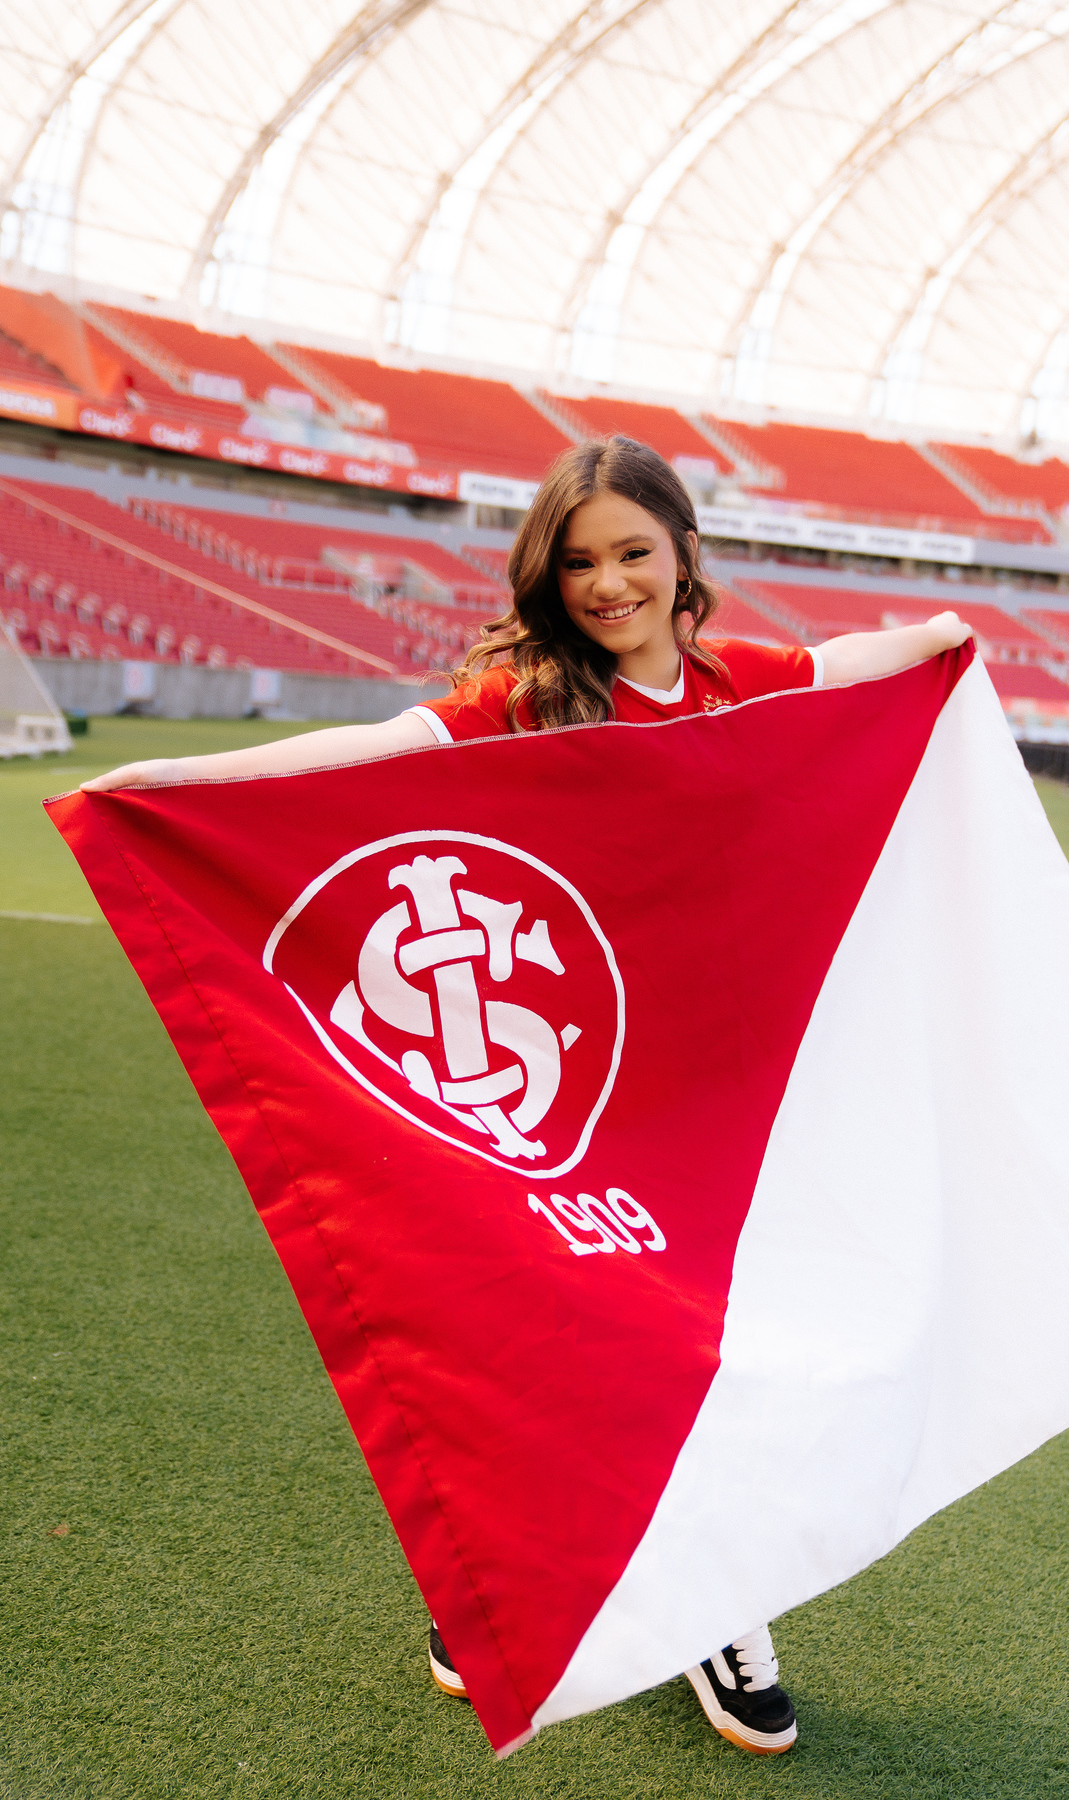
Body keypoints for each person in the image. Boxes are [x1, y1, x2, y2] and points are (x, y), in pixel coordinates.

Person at [84, 436, 972, 1757]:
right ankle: (504, 1587)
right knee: (566, 1343)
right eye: (579, 561)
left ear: (684, 554)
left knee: (733, 1349)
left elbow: (851, 668)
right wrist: (171, 785)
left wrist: (947, 635)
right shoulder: (527, 707)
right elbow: (376, 750)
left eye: (633, 552)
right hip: (581, 1097)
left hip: (729, 1092)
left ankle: (717, 1608)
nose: (609, 584)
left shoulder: (740, 683)